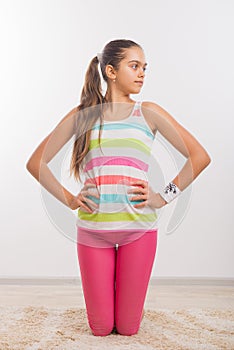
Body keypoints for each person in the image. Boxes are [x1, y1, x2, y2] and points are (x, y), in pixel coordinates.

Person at [26, 38, 211, 336]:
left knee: (127, 329)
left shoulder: (148, 112)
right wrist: (71, 200)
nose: (142, 74)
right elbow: (36, 162)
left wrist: (163, 197)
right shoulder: (82, 116)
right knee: (100, 329)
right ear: (111, 71)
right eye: (134, 66)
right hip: (92, 233)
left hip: (138, 231)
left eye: (144, 68)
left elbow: (199, 157)